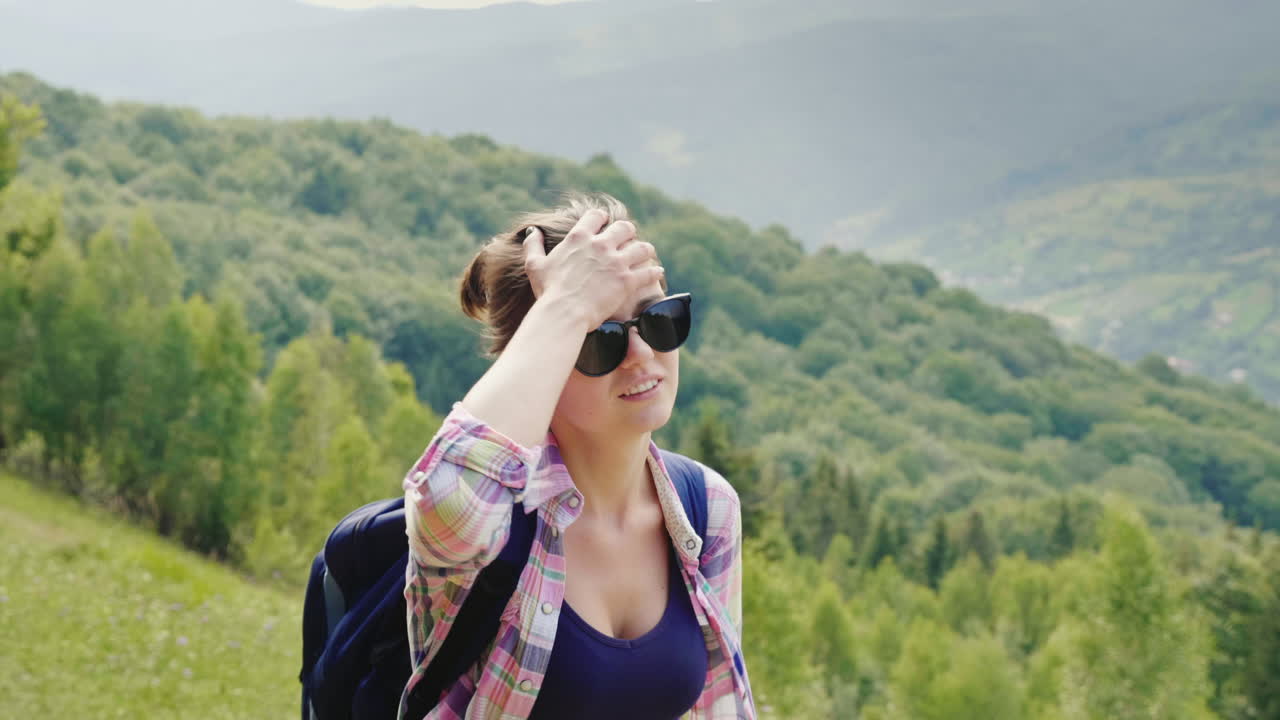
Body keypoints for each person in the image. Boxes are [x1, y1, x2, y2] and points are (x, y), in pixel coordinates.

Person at [398, 192, 756, 719]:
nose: (641, 356)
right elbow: (447, 504)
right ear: (542, 355)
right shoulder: (501, 518)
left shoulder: (706, 507)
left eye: (658, 319)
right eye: (600, 338)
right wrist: (563, 308)